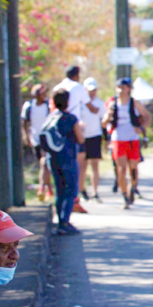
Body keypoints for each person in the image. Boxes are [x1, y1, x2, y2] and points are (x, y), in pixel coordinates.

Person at [102, 77, 151, 209]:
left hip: (132, 139)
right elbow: (104, 123)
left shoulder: (134, 103)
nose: (121, 90)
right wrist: (107, 117)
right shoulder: (112, 104)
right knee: (121, 169)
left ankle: (133, 188)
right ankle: (125, 196)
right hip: (118, 139)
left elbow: (147, 117)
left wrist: (141, 129)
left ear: (129, 89)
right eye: (119, 87)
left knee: (133, 168)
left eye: (123, 87)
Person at [44, 88, 85, 235]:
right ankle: (64, 222)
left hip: (53, 159)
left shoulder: (50, 117)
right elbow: (80, 139)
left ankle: (60, 221)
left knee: (59, 190)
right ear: (67, 102)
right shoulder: (71, 118)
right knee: (71, 190)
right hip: (68, 158)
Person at [56, 66, 95, 214]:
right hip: (73, 130)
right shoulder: (78, 87)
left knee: (59, 175)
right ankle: (74, 200)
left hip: (58, 132)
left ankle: (64, 209)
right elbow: (89, 105)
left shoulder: (58, 87)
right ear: (77, 76)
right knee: (77, 166)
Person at [20, 84, 53, 201]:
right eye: (42, 93)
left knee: (44, 163)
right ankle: (48, 189)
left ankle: (42, 188)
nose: (44, 95)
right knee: (44, 164)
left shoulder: (48, 105)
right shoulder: (29, 106)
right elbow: (24, 122)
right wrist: (26, 136)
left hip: (47, 138)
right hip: (35, 139)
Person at [80, 77, 107, 203]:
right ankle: (82, 191)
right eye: (90, 90)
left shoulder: (100, 104)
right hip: (82, 137)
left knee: (94, 165)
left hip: (95, 137)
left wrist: (106, 139)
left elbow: (104, 122)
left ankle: (95, 192)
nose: (92, 92)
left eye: (94, 90)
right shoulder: (80, 104)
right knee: (82, 166)